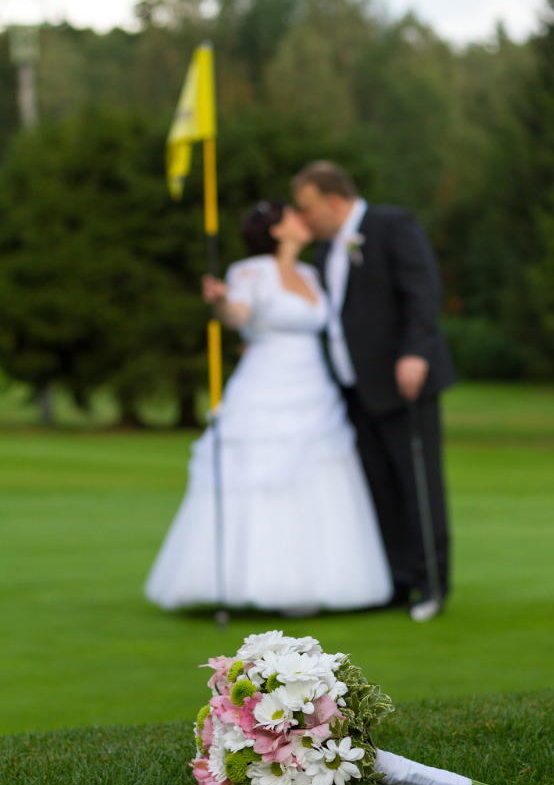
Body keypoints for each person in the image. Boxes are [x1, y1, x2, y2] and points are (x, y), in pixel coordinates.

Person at [144, 200, 392, 614]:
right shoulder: (249, 272)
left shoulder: (310, 273)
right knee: (259, 476)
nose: (302, 218)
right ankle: (247, 580)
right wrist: (220, 301)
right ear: (276, 229)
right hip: (264, 385)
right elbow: (237, 315)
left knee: (319, 473)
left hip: (314, 387)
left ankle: (317, 581)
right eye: (293, 214)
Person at [292, 161, 456, 622]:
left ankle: (432, 583)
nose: (304, 219)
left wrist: (416, 352)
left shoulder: (390, 225)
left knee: (417, 483)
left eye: (308, 208)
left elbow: (421, 292)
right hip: (354, 390)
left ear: (334, 201)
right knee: (378, 488)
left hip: (404, 382)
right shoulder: (325, 253)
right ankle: (397, 581)